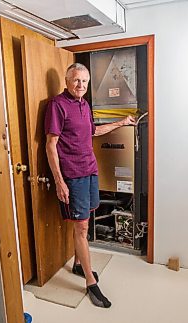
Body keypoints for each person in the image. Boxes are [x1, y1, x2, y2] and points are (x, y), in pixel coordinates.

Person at [45, 63, 135, 308]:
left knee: (85, 222)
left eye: (84, 82)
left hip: (90, 171)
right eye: (76, 80)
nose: (80, 85)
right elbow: (51, 145)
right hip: (72, 176)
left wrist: (121, 123)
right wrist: (59, 181)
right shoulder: (57, 105)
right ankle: (90, 282)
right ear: (66, 81)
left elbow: (93, 131)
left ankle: (76, 263)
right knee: (82, 228)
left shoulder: (84, 104)